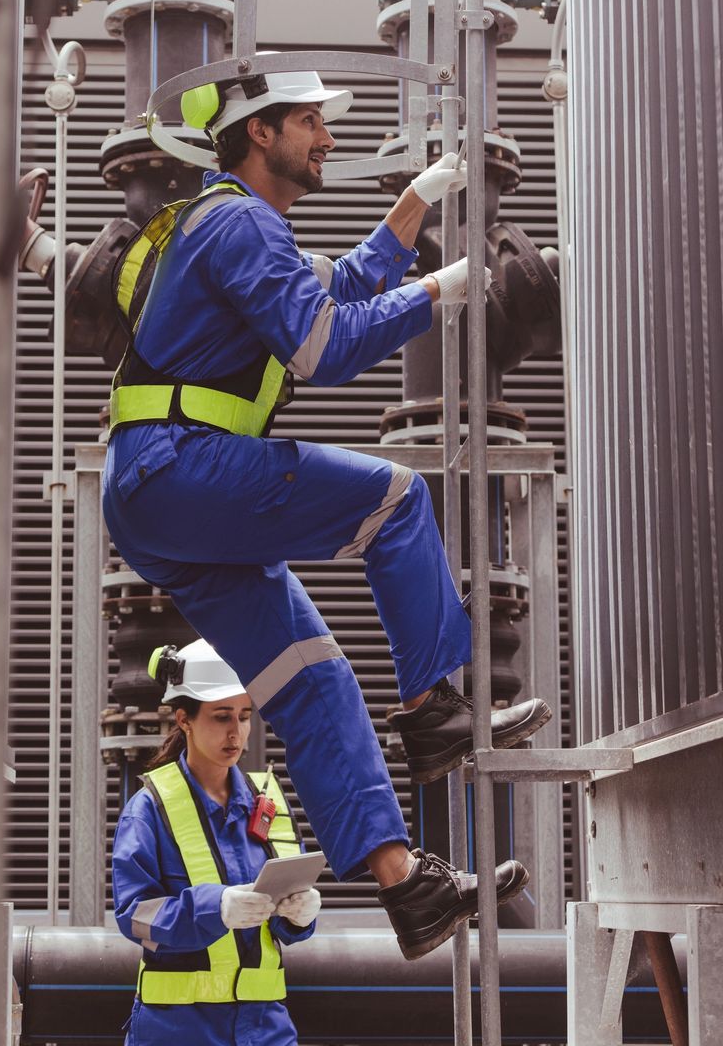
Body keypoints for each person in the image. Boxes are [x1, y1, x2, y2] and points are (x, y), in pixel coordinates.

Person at [102, 64, 552, 961]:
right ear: (259, 133)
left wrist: (415, 206)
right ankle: (432, 705)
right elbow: (324, 344)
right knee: (394, 496)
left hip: (164, 496)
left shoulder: (237, 230)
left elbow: (341, 284)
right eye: (310, 121)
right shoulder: (237, 219)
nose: (329, 138)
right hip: (181, 466)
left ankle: (407, 888)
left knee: (313, 678)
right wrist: (441, 292)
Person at [113, 639, 320, 1046]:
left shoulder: (268, 801)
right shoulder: (149, 810)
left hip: (264, 1026)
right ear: (184, 719)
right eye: (221, 716)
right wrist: (216, 908)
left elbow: (278, 924)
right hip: (177, 1029)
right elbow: (134, 917)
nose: (236, 732)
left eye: (244, 716)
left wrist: (300, 915)